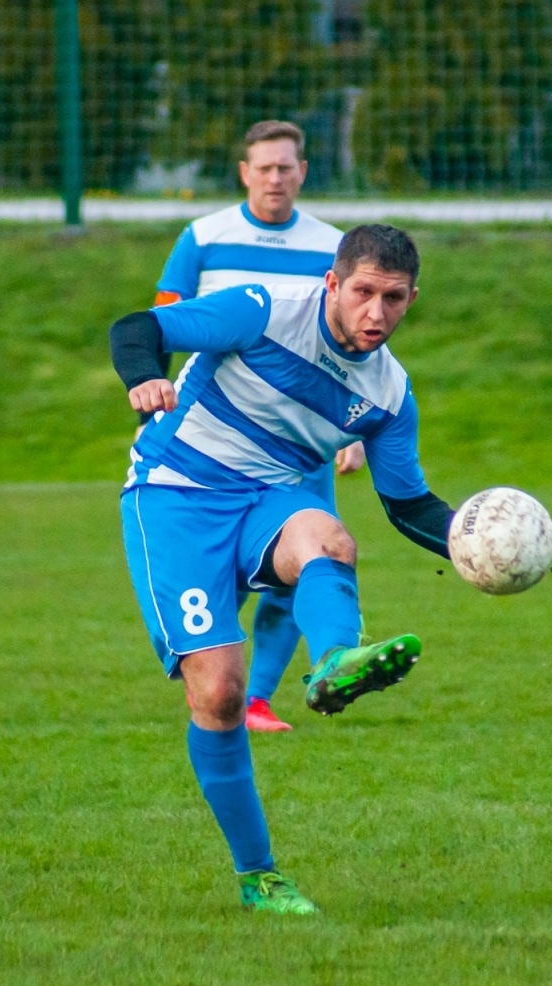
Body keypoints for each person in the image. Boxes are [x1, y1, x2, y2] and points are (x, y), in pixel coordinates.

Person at [111, 224, 457, 914]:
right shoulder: (264, 309)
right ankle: (258, 876)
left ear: (412, 299)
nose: (375, 315)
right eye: (363, 293)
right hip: (177, 493)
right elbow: (137, 326)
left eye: (393, 300)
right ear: (333, 283)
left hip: (269, 497)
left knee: (330, 539)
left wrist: (471, 546)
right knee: (219, 694)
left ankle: (334, 661)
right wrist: (146, 376)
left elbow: (410, 505)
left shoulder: (389, 395)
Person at [150, 121, 365, 733]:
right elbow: (163, 320)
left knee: (305, 559)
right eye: (264, 167)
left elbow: (350, 346)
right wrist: (154, 403)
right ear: (244, 172)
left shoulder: (335, 246)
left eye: (286, 167)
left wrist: (349, 434)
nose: (275, 177)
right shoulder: (203, 237)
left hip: (303, 439)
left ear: (303, 172)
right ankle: (217, 678)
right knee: (225, 569)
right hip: (212, 437)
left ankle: (257, 701)